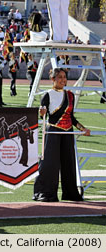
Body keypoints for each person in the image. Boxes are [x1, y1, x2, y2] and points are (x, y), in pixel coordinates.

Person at [33, 68, 91, 202]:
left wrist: (83, 129)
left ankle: (70, 194)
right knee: (49, 163)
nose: (63, 80)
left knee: (69, 163)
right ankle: (45, 193)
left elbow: (72, 118)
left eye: (65, 77)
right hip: (53, 131)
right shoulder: (47, 94)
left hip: (68, 132)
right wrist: (41, 112)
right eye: (59, 77)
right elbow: (43, 113)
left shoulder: (70, 95)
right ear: (53, 79)